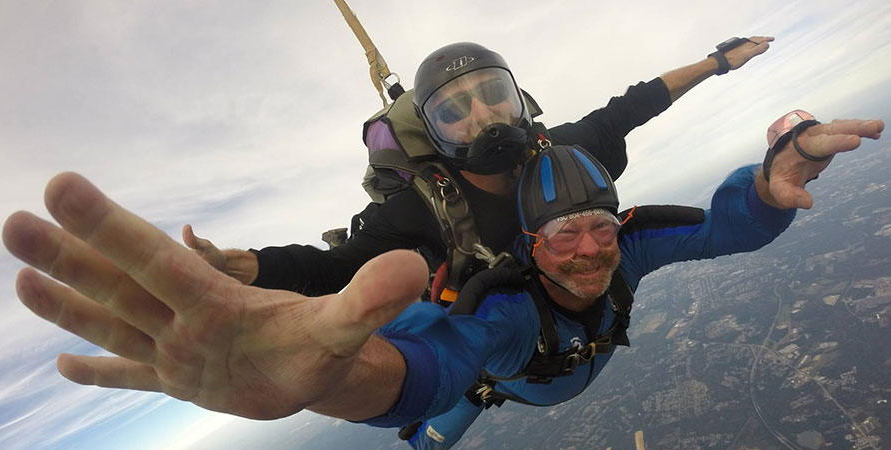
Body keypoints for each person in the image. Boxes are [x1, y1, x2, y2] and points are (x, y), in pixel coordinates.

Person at [2, 115, 882, 443]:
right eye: (560, 236)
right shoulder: (502, 309)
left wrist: (768, 189)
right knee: (438, 409)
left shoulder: (630, 249)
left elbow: (720, 228)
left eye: (598, 228)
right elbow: (426, 369)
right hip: (502, 376)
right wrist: (330, 380)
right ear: (526, 247)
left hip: (546, 368)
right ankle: (426, 430)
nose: (587, 252)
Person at [183, 38, 774, 296]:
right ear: (435, 134)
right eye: (454, 110)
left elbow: (635, 104)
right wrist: (243, 265)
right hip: (501, 315)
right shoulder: (420, 210)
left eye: (494, 94)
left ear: (521, 101)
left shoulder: (564, 148)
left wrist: (718, 61)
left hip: (583, 279)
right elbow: (332, 269)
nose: (484, 116)